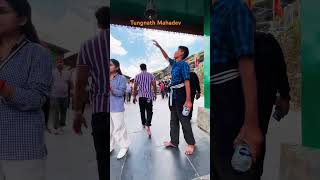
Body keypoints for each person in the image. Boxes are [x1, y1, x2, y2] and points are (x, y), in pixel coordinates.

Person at [0, 0, 52, 179]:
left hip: (22, 151)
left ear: (22, 19)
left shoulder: (37, 53)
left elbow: (36, 99)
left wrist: (3, 87)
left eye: (2, 11)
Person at [211, 0, 263, 179]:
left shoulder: (234, 8)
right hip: (217, 109)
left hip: (230, 104)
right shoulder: (212, 12)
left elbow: (247, 67)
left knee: (234, 170)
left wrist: (251, 124)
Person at [72, 6, 109, 180]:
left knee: (102, 160)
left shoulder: (88, 45)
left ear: (99, 23)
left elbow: (80, 83)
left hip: (100, 111)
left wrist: (78, 112)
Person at [254, 31, 291, 177]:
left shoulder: (265, 41)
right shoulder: (266, 40)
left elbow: (280, 70)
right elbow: (280, 70)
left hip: (256, 105)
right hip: (261, 105)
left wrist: (284, 95)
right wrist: (284, 96)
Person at [153, 40, 196, 155]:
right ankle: (174, 141)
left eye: (177, 50)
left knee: (184, 120)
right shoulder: (174, 64)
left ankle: (191, 143)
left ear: (182, 53)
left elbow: (187, 82)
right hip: (173, 94)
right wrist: (160, 46)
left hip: (181, 94)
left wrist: (188, 100)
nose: (175, 52)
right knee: (173, 120)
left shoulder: (184, 64)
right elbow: (166, 56)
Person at [110, 59, 130, 159]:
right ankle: (110, 145)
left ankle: (124, 146)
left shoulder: (121, 78)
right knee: (109, 129)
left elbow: (121, 93)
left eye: (110, 65)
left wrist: (111, 88)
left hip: (116, 107)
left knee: (119, 128)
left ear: (117, 68)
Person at [133, 63, 157, 137]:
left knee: (142, 110)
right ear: (146, 68)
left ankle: (144, 123)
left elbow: (135, 87)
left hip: (141, 97)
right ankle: (148, 124)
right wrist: (155, 94)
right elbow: (154, 85)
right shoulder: (151, 75)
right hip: (148, 97)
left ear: (140, 68)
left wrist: (134, 96)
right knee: (149, 111)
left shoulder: (137, 76)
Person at [51, 58, 73, 135]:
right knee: (56, 112)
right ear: (56, 63)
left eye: (61, 62)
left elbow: (70, 83)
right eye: (58, 62)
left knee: (64, 112)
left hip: (65, 96)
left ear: (63, 63)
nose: (60, 63)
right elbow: (49, 82)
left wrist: (72, 91)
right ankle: (56, 128)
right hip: (55, 95)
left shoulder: (67, 72)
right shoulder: (53, 72)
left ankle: (61, 127)